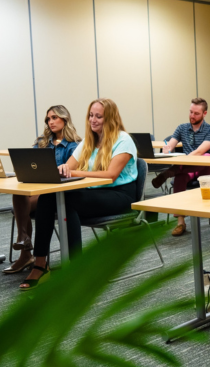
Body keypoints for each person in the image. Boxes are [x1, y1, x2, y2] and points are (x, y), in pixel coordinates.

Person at [20, 98, 138, 290]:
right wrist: (64, 167)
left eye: (99, 116)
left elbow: (110, 175)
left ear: (110, 118)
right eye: (91, 115)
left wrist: (74, 172)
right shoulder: (89, 141)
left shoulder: (123, 140)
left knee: (69, 201)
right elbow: (70, 167)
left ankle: (75, 270)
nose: (93, 120)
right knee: (49, 197)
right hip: (92, 193)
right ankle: (41, 264)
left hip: (119, 195)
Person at [4, 105, 81, 274]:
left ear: (65, 119)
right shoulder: (42, 142)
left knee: (28, 200)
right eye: (48, 119)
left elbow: (72, 174)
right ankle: (24, 240)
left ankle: (26, 252)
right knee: (19, 192)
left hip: (59, 193)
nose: (50, 122)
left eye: (54, 118)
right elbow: (29, 163)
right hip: (39, 189)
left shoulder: (74, 145)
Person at [151, 98, 210, 236]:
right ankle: (180, 222)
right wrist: (167, 148)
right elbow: (171, 144)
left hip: (206, 172)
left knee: (205, 156)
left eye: (196, 113)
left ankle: (171, 171)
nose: (192, 116)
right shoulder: (182, 128)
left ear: (204, 113)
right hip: (188, 169)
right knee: (180, 178)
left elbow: (199, 152)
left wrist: (181, 161)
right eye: (190, 112)